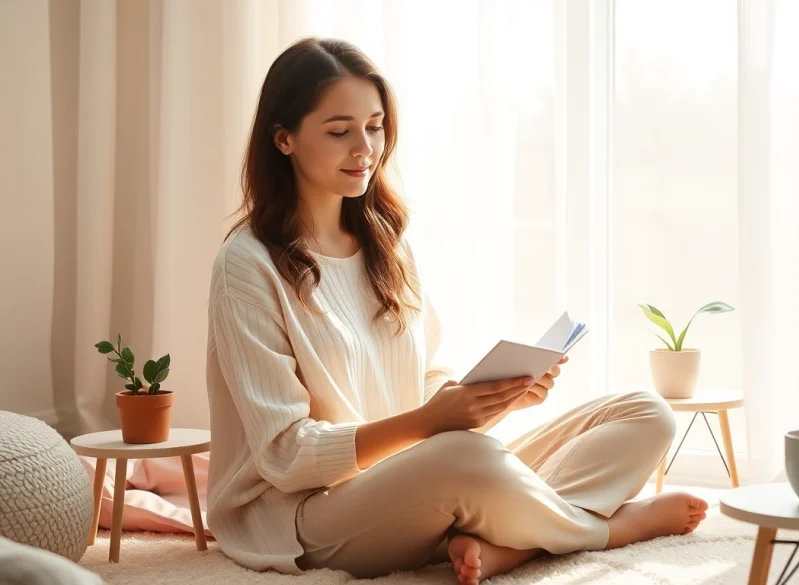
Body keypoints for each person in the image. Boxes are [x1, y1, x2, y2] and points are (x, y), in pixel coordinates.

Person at [204, 37, 709, 585]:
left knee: (645, 412)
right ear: (284, 139)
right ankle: (606, 529)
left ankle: (508, 544)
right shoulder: (246, 265)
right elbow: (284, 454)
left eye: (374, 126)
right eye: (339, 130)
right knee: (466, 463)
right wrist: (431, 423)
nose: (365, 148)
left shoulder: (386, 245)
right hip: (304, 518)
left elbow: (423, 377)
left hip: (418, 477)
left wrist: (489, 400)